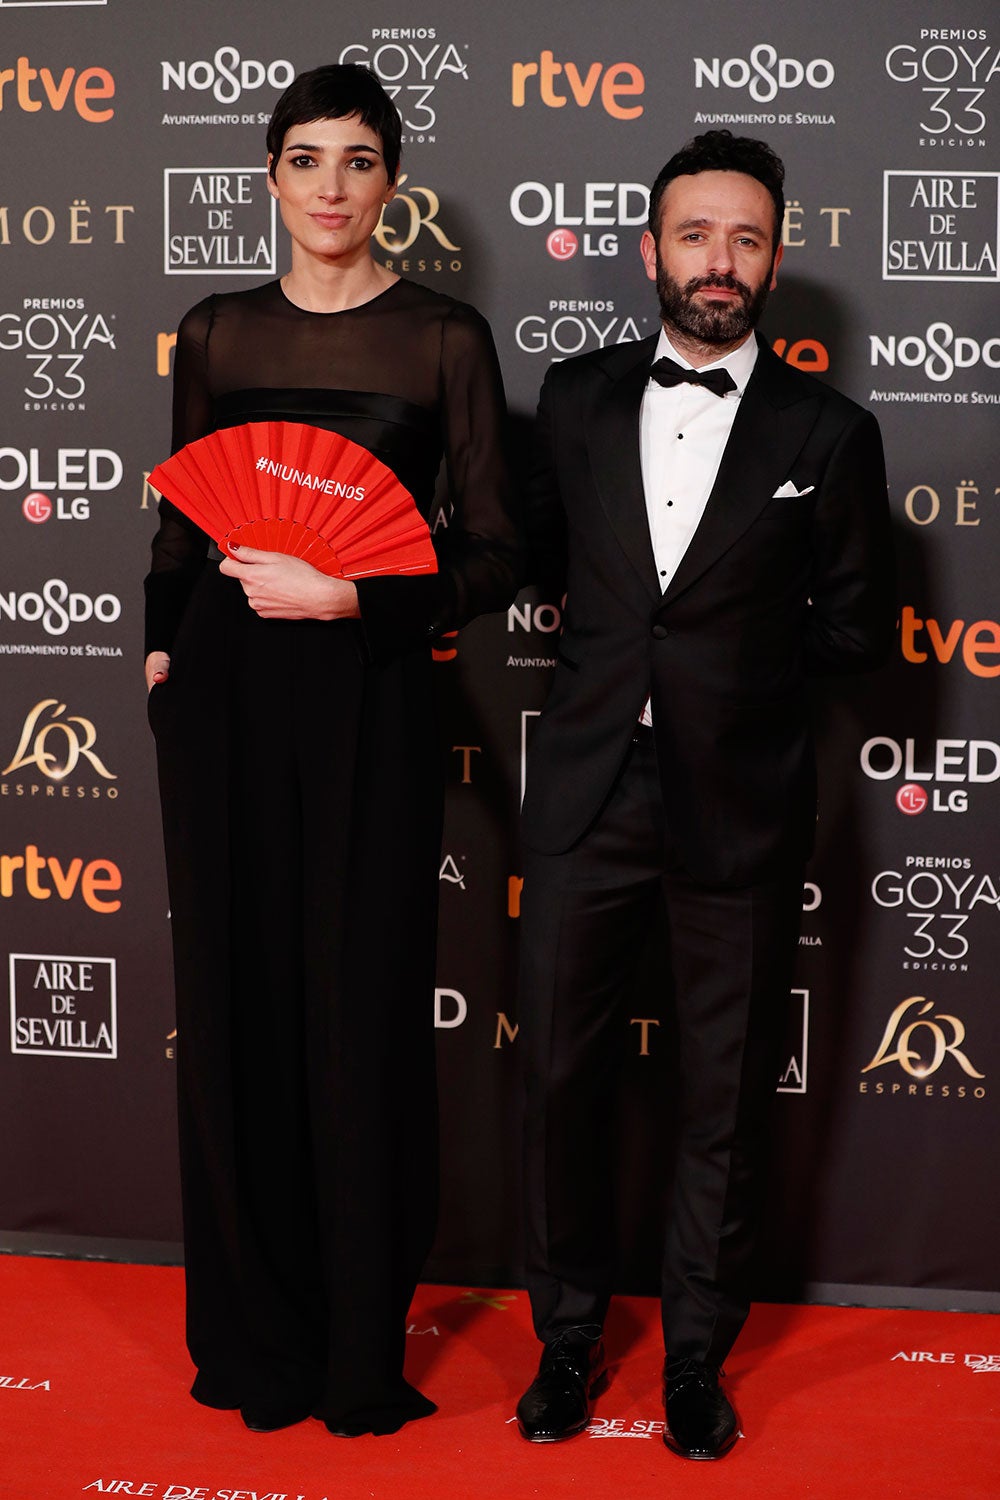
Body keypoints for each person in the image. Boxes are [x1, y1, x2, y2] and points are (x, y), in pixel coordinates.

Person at [144, 63, 518, 1438]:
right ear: (270, 177)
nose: (331, 188)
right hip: (225, 701)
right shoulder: (216, 330)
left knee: (357, 1014)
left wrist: (358, 595)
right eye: (306, 160)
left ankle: (362, 1342)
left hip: (371, 695)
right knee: (236, 1006)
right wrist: (159, 652)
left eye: (359, 162)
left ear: (393, 186)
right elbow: (181, 531)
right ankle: (255, 1337)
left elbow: (492, 551)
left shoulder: (443, 340)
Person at [514, 130, 895, 1460]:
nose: (718, 262)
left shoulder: (831, 434)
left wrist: (732, 662)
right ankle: (564, 1344)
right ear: (652, 251)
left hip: (740, 804)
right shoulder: (570, 401)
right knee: (561, 1078)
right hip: (584, 793)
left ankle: (691, 1359)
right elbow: (535, 565)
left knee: (719, 1096)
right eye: (695, 235)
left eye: (744, 239)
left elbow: (858, 631)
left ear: (776, 259)